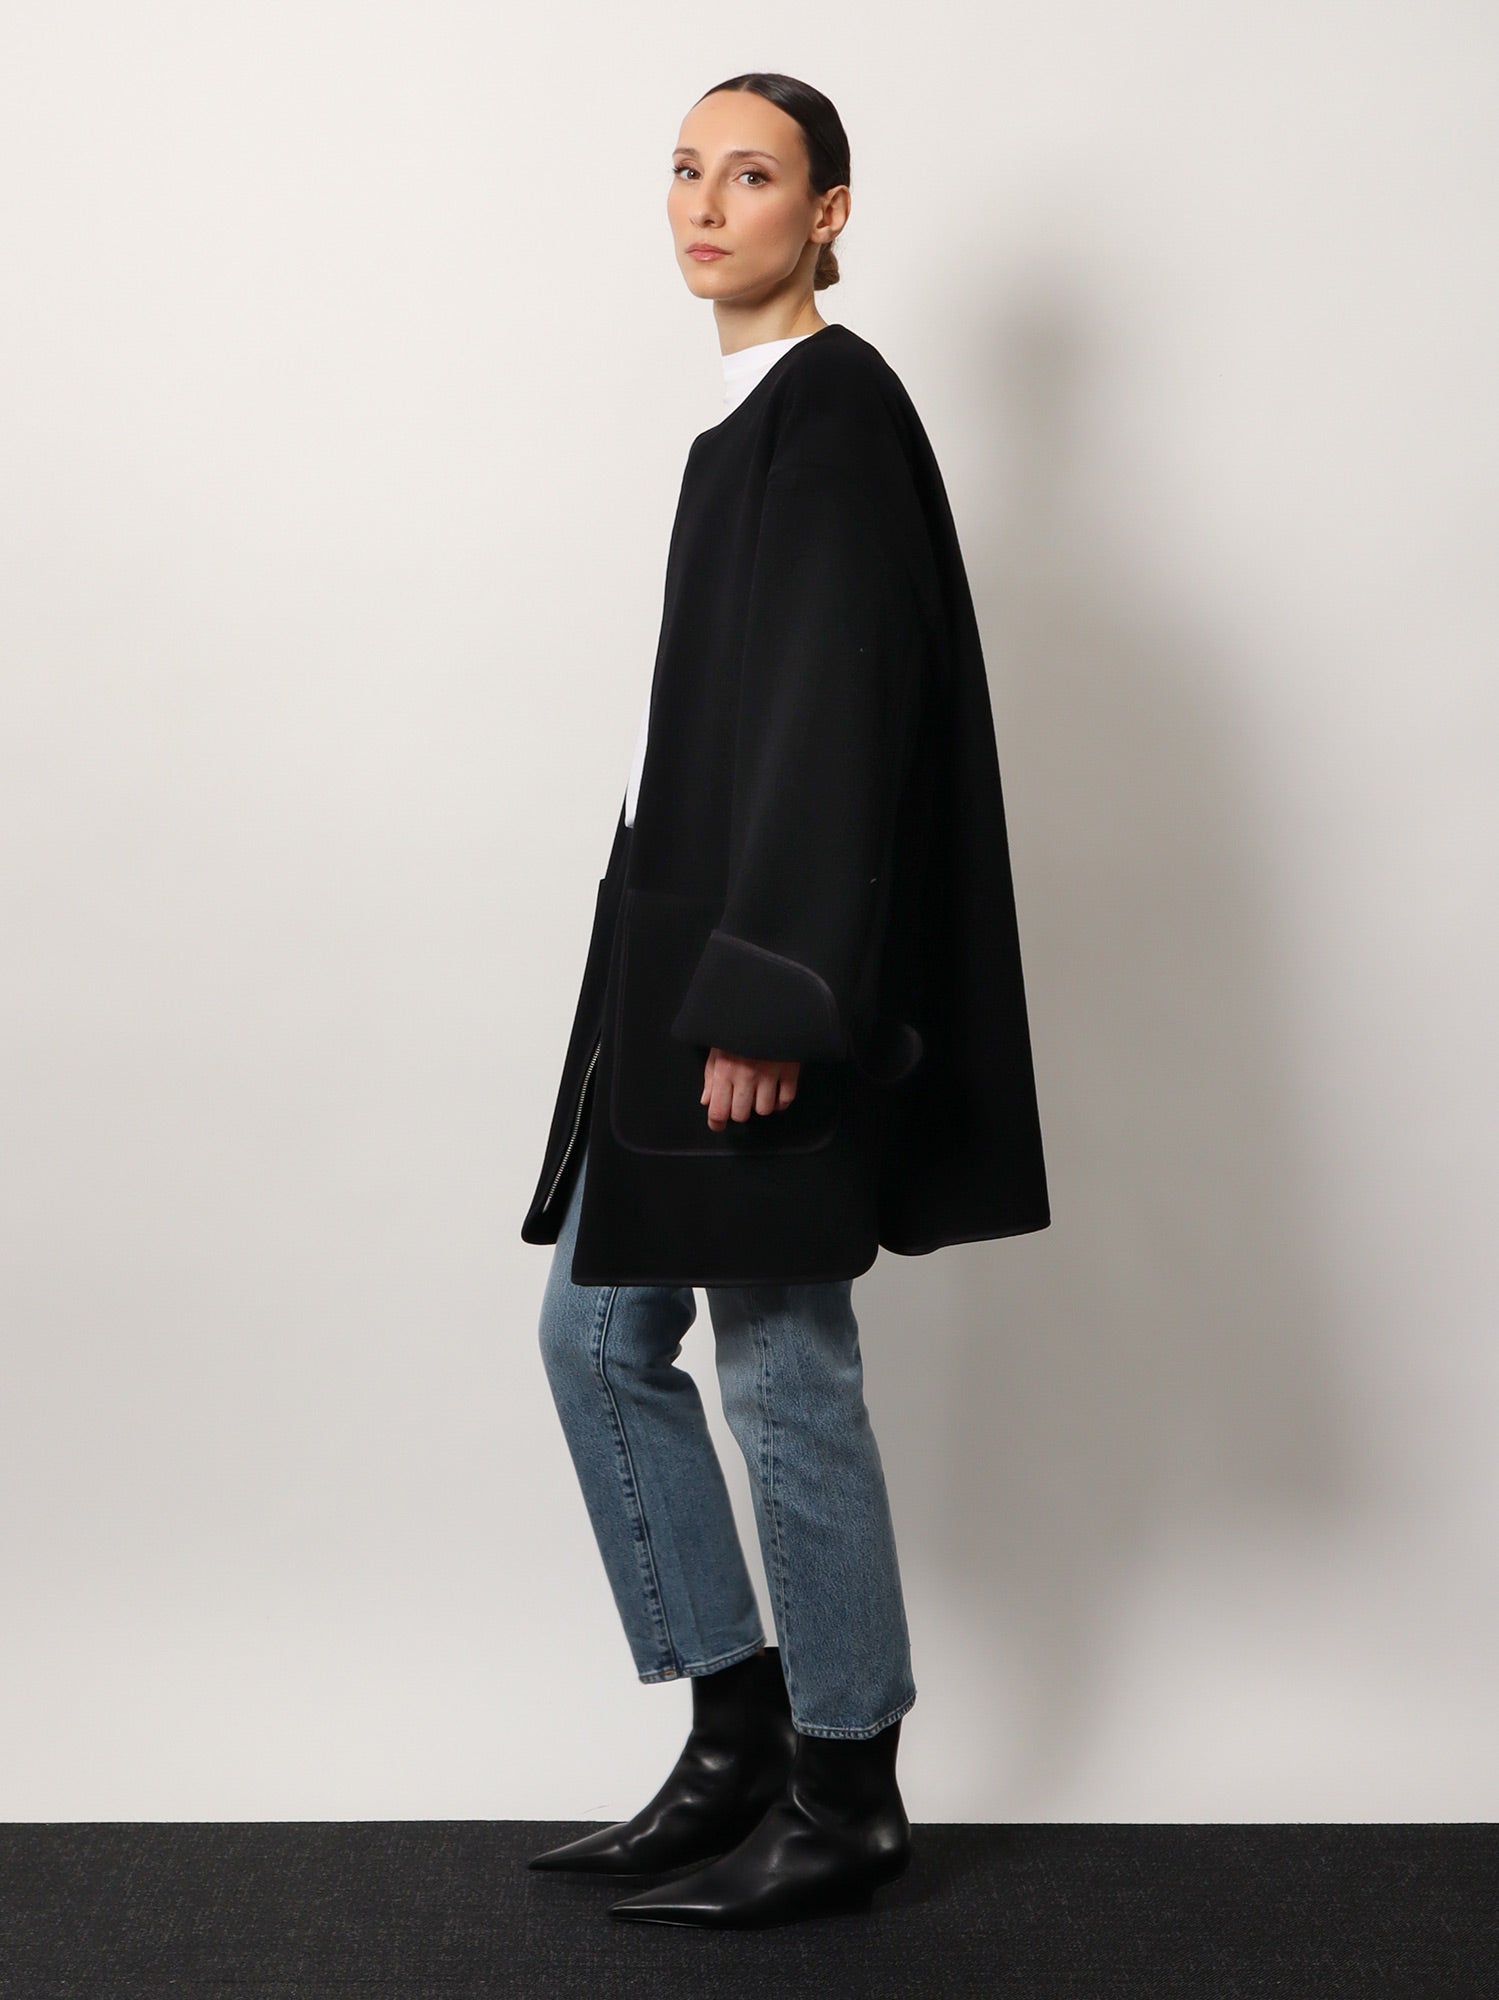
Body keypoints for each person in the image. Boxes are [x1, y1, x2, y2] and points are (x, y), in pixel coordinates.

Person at [521, 72, 1050, 1930]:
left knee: (781, 1366)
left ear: (827, 212)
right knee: (598, 1342)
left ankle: (846, 1788)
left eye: (750, 175)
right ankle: (736, 1742)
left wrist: (771, 994)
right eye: (685, 169)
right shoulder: (749, 419)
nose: (704, 203)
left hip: (757, 993)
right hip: (682, 969)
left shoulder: (831, 415)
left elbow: (835, 723)